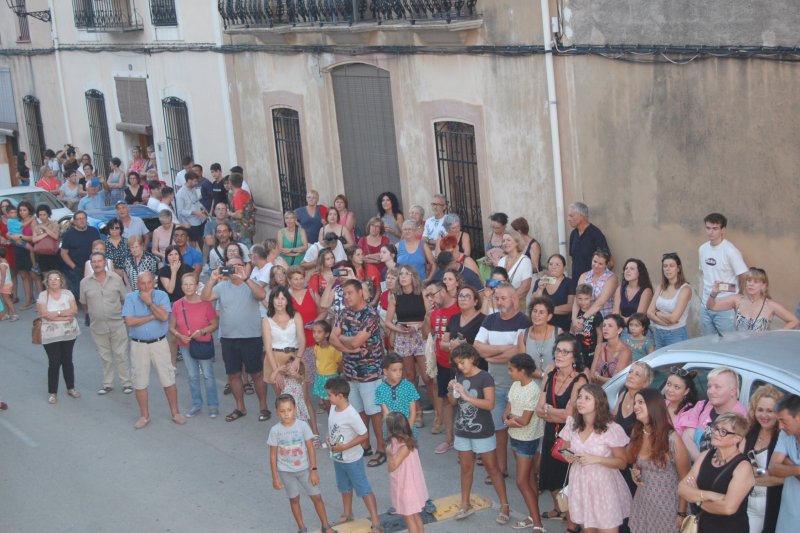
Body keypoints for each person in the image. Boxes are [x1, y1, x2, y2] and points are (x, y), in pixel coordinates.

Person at [448, 343, 512, 524]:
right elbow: (452, 402)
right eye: (457, 364)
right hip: (462, 430)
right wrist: (452, 388)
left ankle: (505, 505)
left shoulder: (485, 377)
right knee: (465, 468)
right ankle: (465, 504)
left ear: (472, 358)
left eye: (462, 362)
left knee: (492, 469)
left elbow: (490, 404)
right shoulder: (458, 375)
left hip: (483, 431)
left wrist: (467, 396)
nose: (460, 367)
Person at [474, 283, 531, 483]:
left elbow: (519, 352)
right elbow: (478, 347)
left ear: (514, 299)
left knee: (520, 430)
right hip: (495, 385)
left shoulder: (524, 321)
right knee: (498, 429)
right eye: (497, 298)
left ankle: (528, 475)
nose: (499, 302)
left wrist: (491, 354)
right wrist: (503, 352)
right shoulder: (489, 319)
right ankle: (501, 469)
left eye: (503, 298)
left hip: (517, 387)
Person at [201, 257, 270, 423]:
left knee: (257, 374)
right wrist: (211, 279)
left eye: (238, 265)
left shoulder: (251, 283)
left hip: (251, 337)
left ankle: (263, 407)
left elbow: (261, 295)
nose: (234, 269)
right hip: (229, 338)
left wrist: (245, 278)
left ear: (244, 267)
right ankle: (240, 407)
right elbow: (205, 298)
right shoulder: (222, 286)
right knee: (233, 375)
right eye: (230, 266)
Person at [559, 383, 632, 533]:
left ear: (598, 402)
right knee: (588, 529)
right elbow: (564, 448)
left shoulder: (611, 429)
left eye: (587, 398)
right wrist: (567, 456)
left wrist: (597, 459)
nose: (580, 401)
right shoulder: (572, 424)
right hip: (580, 483)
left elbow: (622, 462)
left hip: (604, 487)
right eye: (579, 397)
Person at [330, 279, 387, 467]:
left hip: (370, 372)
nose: (346, 297)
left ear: (360, 293)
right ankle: (365, 444)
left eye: (350, 293)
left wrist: (344, 340)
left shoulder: (370, 315)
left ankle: (381, 448)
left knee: (374, 412)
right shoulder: (342, 313)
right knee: (359, 411)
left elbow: (356, 341)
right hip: (350, 372)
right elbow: (332, 338)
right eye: (344, 294)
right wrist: (347, 350)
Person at [535, 334, 588, 526]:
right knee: (550, 477)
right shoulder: (550, 372)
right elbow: (538, 409)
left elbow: (570, 415)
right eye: (558, 350)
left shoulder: (581, 379)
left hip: (570, 438)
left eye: (565, 352)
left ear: (575, 357)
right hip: (551, 432)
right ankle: (559, 509)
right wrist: (551, 412)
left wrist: (549, 410)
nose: (559, 354)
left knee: (566, 480)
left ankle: (572, 525)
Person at [121, 272, 186, 429]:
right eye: (142, 283)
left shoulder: (161, 295)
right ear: (137, 285)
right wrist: (151, 317)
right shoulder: (130, 297)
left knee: (168, 378)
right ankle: (144, 416)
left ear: (154, 283)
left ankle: (175, 412)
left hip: (159, 343)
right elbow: (129, 321)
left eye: (149, 283)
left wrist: (149, 303)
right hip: (138, 345)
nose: (146, 286)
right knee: (139, 381)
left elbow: (164, 317)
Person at [268, 394, 337, 533]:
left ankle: (326, 525)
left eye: (289, 410)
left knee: (316, 496)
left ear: (295, 409)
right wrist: (275, 477)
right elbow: (273, 455)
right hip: (285, 472)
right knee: (294, 499)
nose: (286, 414)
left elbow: (311, 449)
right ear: (277, 412)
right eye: (282, 411)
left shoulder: (302, 426)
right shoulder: (275, 431)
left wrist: (314, 470)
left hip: (305, 469)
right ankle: (302, 528)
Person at [627, 388, 691, 533]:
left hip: (668, 509)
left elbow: (685, 479)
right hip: (643, 505)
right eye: (635, 402)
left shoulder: (672, 439)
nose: (635, 406)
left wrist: (681, 513)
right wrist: (635, 472)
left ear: (654, 405)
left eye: (641, 402)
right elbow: (634, 462)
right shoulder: (637, 432)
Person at [324, 377, 383, 533]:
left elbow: (364, 435)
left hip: (352, 459)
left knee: (363, 488)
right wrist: (329, 438)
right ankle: (347, 513)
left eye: (329, 395)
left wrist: (345, 446)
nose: (327, 398)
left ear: (340, 396)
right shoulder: (333, 408)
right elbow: (334, 427)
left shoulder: (352, 414)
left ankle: (376, 521)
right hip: (338, 457)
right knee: (344, 486)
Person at [679, 413, 754, 533]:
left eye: (723, 431)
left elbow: (728, 508)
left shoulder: (742, 466)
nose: (716, 433)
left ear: (737, 438)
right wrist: (709, 495)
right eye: (716, 428)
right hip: (702, 526)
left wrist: (697, 499)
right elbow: (682, 488)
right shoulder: (705, 456)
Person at [262, 285, 317, 436]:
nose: (279, 302)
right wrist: (276, 372)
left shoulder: (296, 316)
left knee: (304, 398)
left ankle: (315, 434)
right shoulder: (267, 321)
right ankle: (291, 435)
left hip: (294, 357)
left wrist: (298, 360)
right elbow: (268, 347)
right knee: (284, 402)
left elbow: (302, 339)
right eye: (276, 298)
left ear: (287, 301)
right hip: (275, 360)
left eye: (282, 298)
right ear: (272, 300)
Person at [384, 267, 432, 427]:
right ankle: (417, 412)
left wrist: (419, 326)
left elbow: (429, 314)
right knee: (409, 376)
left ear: (413, 276)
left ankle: (438, 411)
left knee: (428, 376)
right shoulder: (395, 296)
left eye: (407, 274)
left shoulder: (422, 293)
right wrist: (400, 329)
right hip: (403, 337)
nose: (403, 277)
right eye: (401, 274)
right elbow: (388, 322)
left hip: (421, 335)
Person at [80, 252, 132, 396]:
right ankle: (108, 383)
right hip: (97, 326)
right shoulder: (84, 283)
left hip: (116, 324)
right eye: (94, 262)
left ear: (105, 263)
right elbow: (84, 304)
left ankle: (126, 382)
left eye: (99, 261)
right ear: (91, 264)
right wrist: (95, 313)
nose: (97, 264)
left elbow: (123, 299)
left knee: (121, 354)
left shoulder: (116, 279)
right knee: (105, 356)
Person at [504, 353, 546, 531]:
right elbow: (508, 411)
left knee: (522, 482)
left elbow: (524, 421)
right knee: (529, 480)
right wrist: (512, 418)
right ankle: (532, 516)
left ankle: (538, 524)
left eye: (511, 370)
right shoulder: (515, 385)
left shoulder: (533, 390)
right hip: (515, 436)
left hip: (527, 440)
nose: (509, 373)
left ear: (522, 371)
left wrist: (511, 419)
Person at [169, 273, 219, 417]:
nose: (188, 287)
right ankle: (197, 404)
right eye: (185, 284)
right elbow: (172, 327)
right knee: (192, 376)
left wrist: (202, 331)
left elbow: (214, 324)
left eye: (191, 284)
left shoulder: (205, 303)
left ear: (197, 286)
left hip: (203, 343)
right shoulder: (178, 304)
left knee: (208, 375)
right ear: (182, 286)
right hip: (185, 345)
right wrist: (179, 336)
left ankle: (213, 405)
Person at [425, 280, 467, 451]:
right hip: (442, 363)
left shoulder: (458, 309)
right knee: (446, 401)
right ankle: (450, 439)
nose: (430, 298)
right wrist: (427, 317)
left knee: (464, 401)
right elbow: (428, 334)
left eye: (432, 294)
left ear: (442, 291)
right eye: (427, 295)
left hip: (460, 365)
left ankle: (469, 441)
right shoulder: (435, 312)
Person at [699, 213, 749, 337]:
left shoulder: (730, 251)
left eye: (715, 228)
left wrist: (740, 294)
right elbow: (703, 274)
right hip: (706, 304)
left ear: (723, 230)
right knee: (708, 343)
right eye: (708, 228)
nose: (711, 232)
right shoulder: (702, 249)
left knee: (729, 343)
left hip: (725, 307)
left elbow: (743, 274)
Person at [743, 384, 784, 533]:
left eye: (770, 411)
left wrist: (754, 473)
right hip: (746, 504)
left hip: (773, 507)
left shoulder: (784, 438)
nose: (764, 416)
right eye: (760, 410)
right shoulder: (748, 432)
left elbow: (783, 478)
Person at [682, 367, 748, 460]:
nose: (710, 391)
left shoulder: (741, 419)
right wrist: (700, 462)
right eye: (709, 386)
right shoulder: (702, 406)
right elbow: (686, 436)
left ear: (733, 391)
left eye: (717, 387)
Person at [707, 267, 800, 331]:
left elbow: (794, 321)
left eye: (756, 282)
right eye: (749, 280)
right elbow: (712, 306)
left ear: (763, 285)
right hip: (740, 347)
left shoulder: (770, 305)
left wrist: (777, 335)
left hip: (760, 349)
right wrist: (714, 293)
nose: (751, 284)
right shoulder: (737, 299)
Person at [37, 271, 81, 405]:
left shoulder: (67, 294)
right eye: (51, 279)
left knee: (67, 360)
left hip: (68, 333)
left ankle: (71, 388)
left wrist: (55, 314)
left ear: (61, 281)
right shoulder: (43, 295)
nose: (54, 281)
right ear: (47, 282)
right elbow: (44, 314)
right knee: (54, 362)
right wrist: (63, 315)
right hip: (51, 335)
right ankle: (52, 392)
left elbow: (74, 311)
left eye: (57, 279)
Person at [385, 411, 431, 533]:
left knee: (409, 517)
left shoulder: (403, 445)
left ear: (391, 429)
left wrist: (389, 454)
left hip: (406, 487)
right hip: (410, 486)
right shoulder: (407, 441)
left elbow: (392, 466)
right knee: (415, 516)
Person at [769, 394, 800, 532]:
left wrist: (788, 463)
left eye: (784, 421)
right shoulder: (785, 434)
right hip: (787, 518)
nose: (780, 426)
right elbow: (773, 468)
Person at [647, 252, 692, 349]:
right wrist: (664, 322)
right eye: (665, 266)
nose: (668, 269)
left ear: (678, 268)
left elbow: (673, 318)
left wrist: (657, 313)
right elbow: (649, 312)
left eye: (671, 266)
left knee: (676, 363)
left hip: (676, 334)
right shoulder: (661, 287)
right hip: (658, 333)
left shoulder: (685, 289)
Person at [60, 211, 102, 302]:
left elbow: (100, 247)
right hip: (76, 268)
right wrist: (73, 267)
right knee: (80, 294)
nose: (82, 221)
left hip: (93, 266)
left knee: (94, 292)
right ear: (74, 221)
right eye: (79, 219)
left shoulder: (94, 231)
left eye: (83, 218)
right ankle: (86, 310)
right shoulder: (68, 235)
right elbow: (63, 253)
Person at [375, 353, 420, 438]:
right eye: (394, 370)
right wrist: (394, 434)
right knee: (392, 450)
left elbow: (413, 412)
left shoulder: (408, 386)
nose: (399, 373)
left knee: (410, 450)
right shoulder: (380, 389)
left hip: (409, 430)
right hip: (391, 431)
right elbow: (386, 414)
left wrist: (408, 432)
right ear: (385, 371)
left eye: (400, 369)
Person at [531, 253, 576, 332]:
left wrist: (547, 310)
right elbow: (534, 303)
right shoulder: (540, 282)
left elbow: (570, 306)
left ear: (563, 267)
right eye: (551, 264)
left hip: (562, 327)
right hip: (542, 326)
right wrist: (540, 288)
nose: (553, 267)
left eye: (557, 264)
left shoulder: (569, 283)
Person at [567, 202, 611, 279]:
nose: (568, 219)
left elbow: (610, 262)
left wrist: (597, 280)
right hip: (576, 283)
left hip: (591, 285)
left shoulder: (595, 234)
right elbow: (573, 259)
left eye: (571, 216)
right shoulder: (573, 234)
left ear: (581, 216)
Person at [525, 296, 562, 379]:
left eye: (541, 312)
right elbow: (522, 365)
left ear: (549, 316)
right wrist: (544, 376)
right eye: (535, 311)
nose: (537, 315)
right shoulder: (523, 335)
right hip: (530, 386)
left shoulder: (558, 333)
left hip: (553, 384)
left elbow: (563, 362)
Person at [590, 314, 633, 385]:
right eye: (604, 325)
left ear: (619, 330)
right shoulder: (599, 347)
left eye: (610, 326)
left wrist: (598, 377)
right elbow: (592, 375)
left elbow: (616, 381)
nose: (605, 328)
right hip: (597, 390)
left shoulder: (625, 351)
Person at [574, 248, 618, 319]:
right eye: (594, 261)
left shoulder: (611, 278)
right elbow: (576, 299)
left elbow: (601, 302)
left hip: (603, 319)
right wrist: (574, 318)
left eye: (600, 264)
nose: (596, 265)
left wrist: (584, 318)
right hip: (583, 319)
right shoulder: (584, 276)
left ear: (606, 264)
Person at [497, 231, 533, 309]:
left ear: (517, 242)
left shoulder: (525, 260)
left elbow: (525, 287)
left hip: (517, 304)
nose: (505, 243)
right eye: (503, 241)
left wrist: (510, 301)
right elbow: (495, 281)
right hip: (501, 304)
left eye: (508, 240)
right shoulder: (501, 261)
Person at [311, 320, 341, 411]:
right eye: (314, 331)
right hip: (320, 376)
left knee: (333, 403)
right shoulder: (316, 347)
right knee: (326, 402)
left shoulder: (333, 349)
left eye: (319, 332)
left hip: (331, 378)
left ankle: (336, 421)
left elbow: (340, 363)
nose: (315, 334)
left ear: (327, 334)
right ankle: (330, 420)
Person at [612, 259, 653, 325]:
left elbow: (639, 317)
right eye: (626, 268)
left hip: (638, 329)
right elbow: (615, 313)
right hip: (621, 327)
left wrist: (621, 320)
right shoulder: (620, 289)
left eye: (632, 269)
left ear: (639, 272)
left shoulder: (646, 291)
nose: (627, 271)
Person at [572, 283, 604, 369]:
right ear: (576, 298)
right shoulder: (575, 313)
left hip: (591, 350)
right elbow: (571, 331)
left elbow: (600, 333)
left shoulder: (596, 313)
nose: (583, 302)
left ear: (591, 298)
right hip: (578, 349)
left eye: (586, 299)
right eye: (580, 299)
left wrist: (599, 349)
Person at [664, 366, 700, 436]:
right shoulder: (661, 403)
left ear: (686, 391)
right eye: (668, 384)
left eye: (676, 387)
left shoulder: (689, 412)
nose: (670, 390)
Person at [175, 171, 207, 246]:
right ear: (189, 180)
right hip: (190, 222)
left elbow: (197, 201)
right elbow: (180, 211)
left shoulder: (194, 189)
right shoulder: (180, 194)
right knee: (193, 242)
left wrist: (202, 207)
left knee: (202, 240)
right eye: (195, 181)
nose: (196, 183)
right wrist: (195, 213)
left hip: (200, 220)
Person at [32, 204, 62, 274]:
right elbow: (34, 239)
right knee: (45, 274)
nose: (42, 217)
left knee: (56, 274)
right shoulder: (37, 226)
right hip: (41, 254)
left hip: (53, 253)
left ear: (48, 214)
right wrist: (46, 234)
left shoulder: (54, 223)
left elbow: (55, 236)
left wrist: (45, 228)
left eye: (44, 214)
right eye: (40, 215)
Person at [228, 173, 255, 245]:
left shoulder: (238, 196)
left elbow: (239, 214)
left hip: (242, 230)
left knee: (245, 251)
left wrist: (229, 213)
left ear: (230, 183)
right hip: (248, 227)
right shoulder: (245, 192)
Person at [480, 212, 509, 279]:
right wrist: (486, 260)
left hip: (503, 272)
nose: (494, 230)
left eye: (497, 228)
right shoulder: (490, 235)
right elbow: (489, 253)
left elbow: (511, 257)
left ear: (504, 226)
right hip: (490, 271)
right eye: (492, 227)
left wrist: (496, 262)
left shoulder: (508, 238)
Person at [0, 249, 17, 321]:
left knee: (7, 300)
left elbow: (3, 277)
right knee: (5, 299)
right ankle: (7, 314)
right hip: (7, 284)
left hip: (5, 285)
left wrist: (1, 286)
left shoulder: (2, 265)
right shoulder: (5, 262)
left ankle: (15, 314)